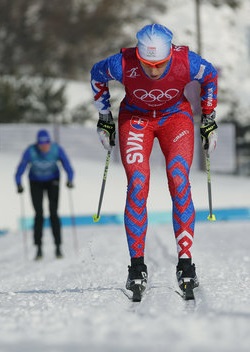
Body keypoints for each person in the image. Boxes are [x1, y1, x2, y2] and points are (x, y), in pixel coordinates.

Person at [90, 23, 218, 297]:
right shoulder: (123, 63)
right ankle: (137, 267)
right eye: (147, 64)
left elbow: (210, 77)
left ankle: (185, 264)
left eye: (160, 64)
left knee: (178, 178)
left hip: (175, 118)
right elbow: (96, 75)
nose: (154, 70)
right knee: (138, 182)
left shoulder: (186, 62)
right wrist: (104, 117)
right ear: (138, 55)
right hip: (136, 120)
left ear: (170, 54)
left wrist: (209, 117)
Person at [15, 129, 74, 260]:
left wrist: (70, 179)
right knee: (39, 214)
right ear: (38, 144)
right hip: (35, 181)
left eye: (46, 144)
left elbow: (67, 165)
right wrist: (18, 183)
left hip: (53, 180)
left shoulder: (56, 149)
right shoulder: (30, 151)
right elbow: (21, 167)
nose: (44, 147)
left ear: (49, 142)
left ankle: (58, 247)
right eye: (41, 145)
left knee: (53, 212)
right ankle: (38, 248)